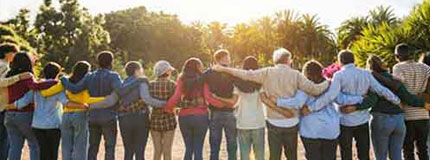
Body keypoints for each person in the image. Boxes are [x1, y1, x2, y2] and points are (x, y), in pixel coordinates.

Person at [212, 48, 330, 160]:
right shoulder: (296, 74)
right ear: (289, 60)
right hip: (291, 122)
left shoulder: (267, 72)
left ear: (275, 60)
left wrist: (224, 69)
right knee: (291, 155)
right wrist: (329, 81)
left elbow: (246, 75)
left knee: (273, 156)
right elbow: (315, 90)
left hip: (272, 121)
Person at [304, 50, 400, 160]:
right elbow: (381, 90)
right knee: (364, 154)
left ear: (340, 62)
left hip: (345, 122)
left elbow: (332, 96)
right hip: (362, 120)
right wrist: (397, 101)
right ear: (353, 60)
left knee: (346, 154)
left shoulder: (339, 75)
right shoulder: (366, 73)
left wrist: (311, 108)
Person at [270, 60, 365, 160]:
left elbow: (297, 102)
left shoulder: (304, 86)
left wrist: (278, 101)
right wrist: (360, 98)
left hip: (310, 130)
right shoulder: (330, 84)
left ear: (305, 73)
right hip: (330, 129)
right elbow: (342, 99)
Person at [90, 61, 167, 160]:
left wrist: (91, 105)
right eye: (141, 69)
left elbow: (110, 101)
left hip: (124, 119)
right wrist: (165, 103)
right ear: (136, 71)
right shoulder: (141, 82)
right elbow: (147, 99)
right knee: (140, 151)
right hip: (140, 119)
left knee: (128, 151)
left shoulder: (121, 84)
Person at [13, 62, 88, 160]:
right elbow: (66, 103)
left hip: (37, 124)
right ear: (57, 73)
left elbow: (23, 102)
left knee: (43, 152)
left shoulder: (36, 87)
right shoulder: (57, 87)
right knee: (53, 153)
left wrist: (8, 106)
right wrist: (84, 105)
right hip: (53, 125)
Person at [60, 51, 122, 160]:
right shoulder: (114, 76)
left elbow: (74, 89)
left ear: (97, 62)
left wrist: (63, 79)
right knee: (110, 147)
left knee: (92, 148)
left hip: (92, 116)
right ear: (111, 62)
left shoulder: (89, 76)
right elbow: (121, 91)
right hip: (109, 116)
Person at [39, 61, 106, 160]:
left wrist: (39, 83)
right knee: (80, 145)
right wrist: (105, 98)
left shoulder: (66, 82)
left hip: (66, 115)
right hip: (80, 114)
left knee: (66, 146)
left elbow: (45, 93)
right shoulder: (86, 83)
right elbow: (88, 100)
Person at [366, 55, 426, 160]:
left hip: (381, 119)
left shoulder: (371, 80)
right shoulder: (394, 79)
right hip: (399, 121)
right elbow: (409, 98)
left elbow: (371, 100)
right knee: (397, 156)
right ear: (382, 64)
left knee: (381, 156)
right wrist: (424, 104)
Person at [164, 58, 226, 160]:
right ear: (197, 67)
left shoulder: (181, 79)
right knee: (198, 148)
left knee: (188, 148)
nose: (202, 67)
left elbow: (176, 96)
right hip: (200, 117)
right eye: (201, 65)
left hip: (184, 117)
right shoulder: (203, 79)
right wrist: (223, 104)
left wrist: (168, 108)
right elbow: (208, 97)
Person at [5, 52, 57, 160]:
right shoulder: (27, 75)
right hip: (24, 114)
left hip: (9, 114)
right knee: (34, 144)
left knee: (14, 146)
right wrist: (55, 82)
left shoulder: (10, 75)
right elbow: (35, 86)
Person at [216, 56, 265, 160]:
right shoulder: (260, 83)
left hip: (242, 123)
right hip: (258, 122)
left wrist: (217, 97)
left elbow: (233, 103)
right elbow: (265, 99)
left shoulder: (237, 84)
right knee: (260, 155)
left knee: (244, 155)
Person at [392, 43, 430, 160]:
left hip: (407, 115)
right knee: (423, 148)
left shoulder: (398, 67)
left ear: (397, 56)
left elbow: (399, 89)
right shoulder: (425, 67)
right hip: (424, 114)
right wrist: (425, 96)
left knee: (408, 149)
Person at [203, 49, 237, 160]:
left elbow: (199, 83)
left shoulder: (208, 73)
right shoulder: (232, 72)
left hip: (215, 112)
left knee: (214, 144)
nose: (230, 59)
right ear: (223, 58)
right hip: (229, 111)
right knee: (232, 143)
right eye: (228, 57)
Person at [0, 43, 32, 160]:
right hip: (3, 106)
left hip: (4, 107)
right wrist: (19, 77)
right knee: (4, 140)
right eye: (15, 53)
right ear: (8, 53)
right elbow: (1, 82)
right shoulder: (3, 66)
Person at [148, 60, 177, 160]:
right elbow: (176, 102)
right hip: (169, 120)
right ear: (167, 72)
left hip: (155, 120)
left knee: (157, 150)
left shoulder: (150, 85)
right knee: (167, 151)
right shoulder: (172, 85)